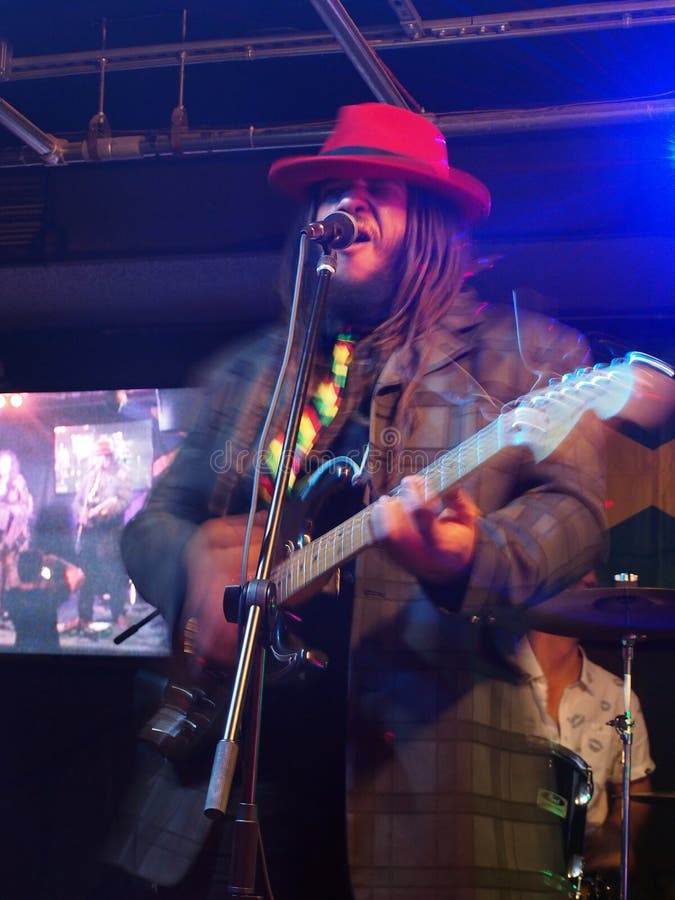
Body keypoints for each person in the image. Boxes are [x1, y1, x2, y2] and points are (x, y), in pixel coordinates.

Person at [116, 103, 608, 899]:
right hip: (236, 761)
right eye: (331, 188)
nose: (345, 204)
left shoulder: (523, 359)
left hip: (420, 774)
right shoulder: (251, 371)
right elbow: (153, 522)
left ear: (429, 224)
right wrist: (189, 565)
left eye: (377, 187)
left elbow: (576, 519)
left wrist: (467, 554)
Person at [72, 436, 132, 631]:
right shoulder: (89, 477)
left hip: (109, 534)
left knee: (114, 575)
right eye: (96, 456)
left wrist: (107, 510)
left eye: (102, 456)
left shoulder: (120, 475)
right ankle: (84, 615)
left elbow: (124, 501)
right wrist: (80, 513)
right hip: (90, 533)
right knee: (87, 575)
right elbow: (77, 501)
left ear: (109, 457)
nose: (99, 460)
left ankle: (118, 614)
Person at [0, 448, 34, 620]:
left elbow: (26, 507)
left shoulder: (18, 482)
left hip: (15, 535)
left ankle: (15, 612)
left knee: (12, 571)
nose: (3, 466)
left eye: (6, 463)